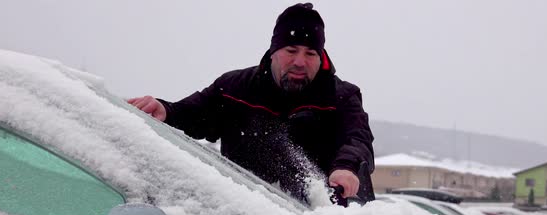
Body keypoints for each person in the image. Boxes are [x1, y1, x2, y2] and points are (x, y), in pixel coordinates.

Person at [128, 3, 374, 203]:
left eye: (310, 54)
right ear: (273, 51)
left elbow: (357, 139)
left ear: (321, 59)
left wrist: (346, 167)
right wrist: (165, 110)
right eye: (291, 50)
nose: (300, 61)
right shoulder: (235, 88)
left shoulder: (342, 97)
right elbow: (191, 114)